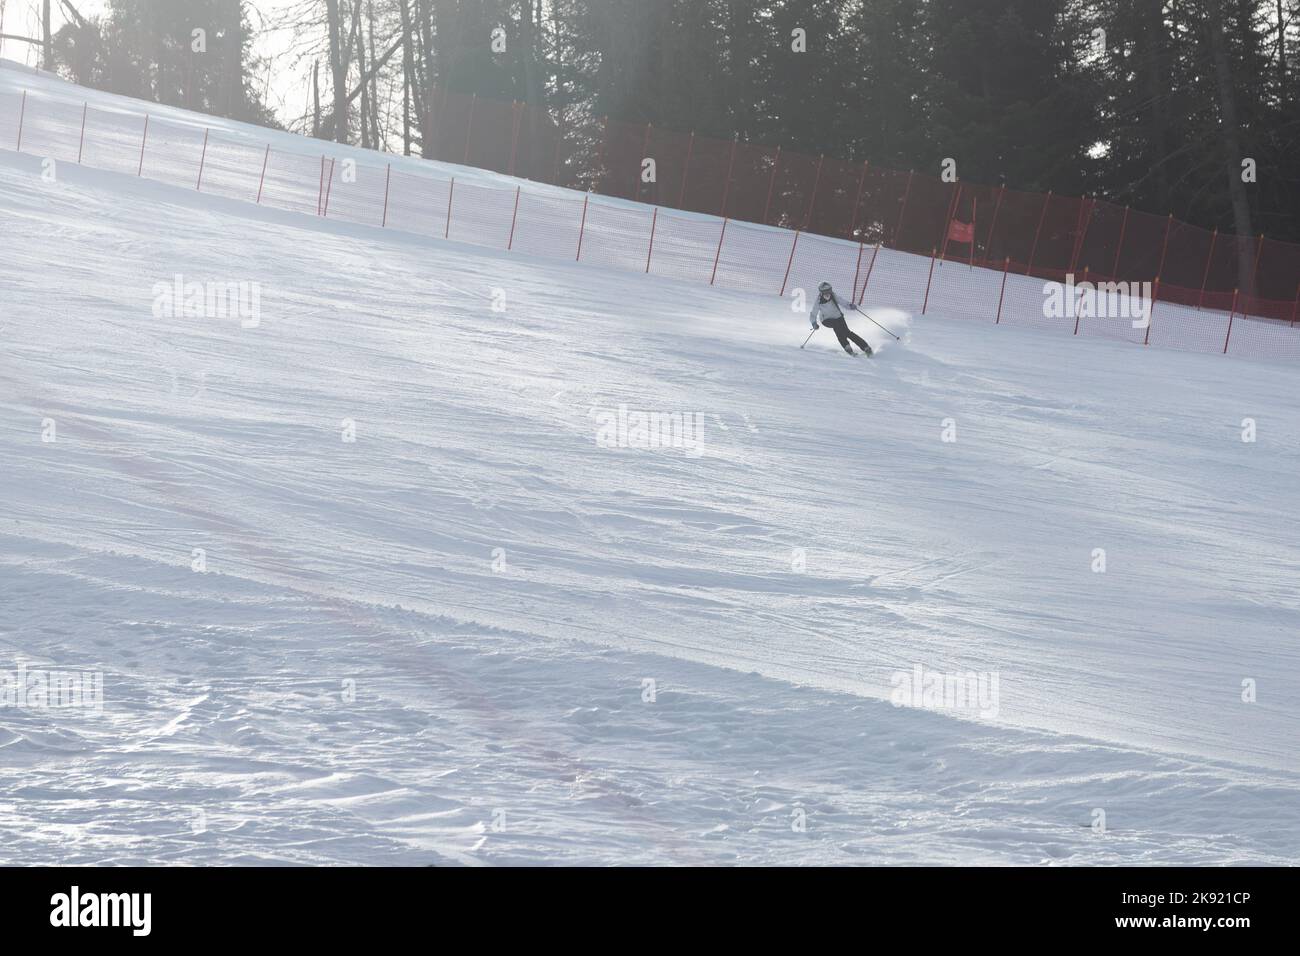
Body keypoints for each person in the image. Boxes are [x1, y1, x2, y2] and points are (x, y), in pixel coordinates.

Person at [809, 282, 873, 356]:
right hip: (826, 320)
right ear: (821, 292)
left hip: (838, 317)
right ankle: (846, 346)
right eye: (824, 292)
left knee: (847, 332)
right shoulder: (818, 301)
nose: (827, 293)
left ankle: (865, 347)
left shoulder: (833, 295)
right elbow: (813, 314)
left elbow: (842, 301)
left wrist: (850, 306)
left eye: (828, 291)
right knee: (837, 326)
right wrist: (814, 323)